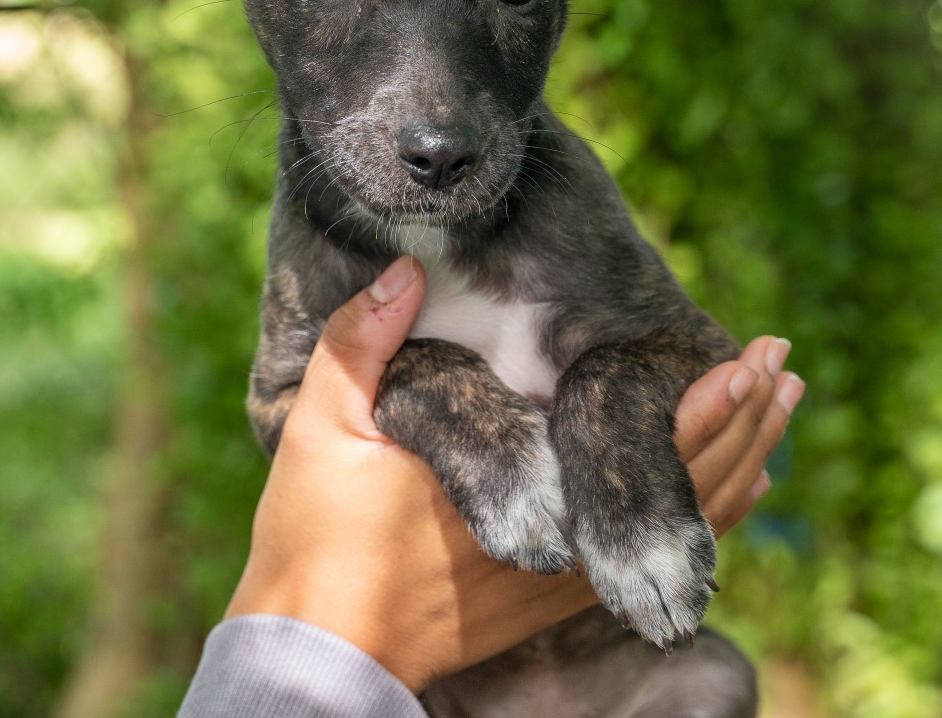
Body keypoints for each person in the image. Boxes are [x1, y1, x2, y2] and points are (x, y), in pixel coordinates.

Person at [178, 257, 805, 717]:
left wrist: (613, 419)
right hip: (444, 692)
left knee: (715, 681)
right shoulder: (320, 260)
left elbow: (695, 353)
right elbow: (282, 408)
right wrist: (437, 390)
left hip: (633, 672)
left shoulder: (566, 221)